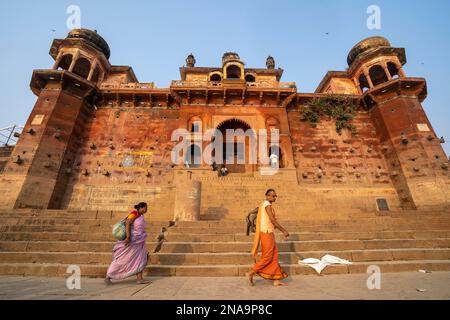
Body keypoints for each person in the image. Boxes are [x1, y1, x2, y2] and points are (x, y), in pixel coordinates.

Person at [245, 189, 289, 286]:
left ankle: (276, 279)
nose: (274, 198)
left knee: (274, 256)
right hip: (266, 232)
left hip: (269, 232)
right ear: (267, 196)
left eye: (275, 196)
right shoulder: (267, 205)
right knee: (268, 256)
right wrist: (283, 230)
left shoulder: (266, 205)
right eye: (273, 196)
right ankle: (250, 273)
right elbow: (272, 220)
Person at [105, 202, 151, 285]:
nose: (146, 209)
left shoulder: (140, 216)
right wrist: (128, 237)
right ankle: (108, 276)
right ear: (141, 208)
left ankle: (139, 278)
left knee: (140, 258)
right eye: (145, 208)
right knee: (122, 259)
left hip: (139, 242)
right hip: (131, 241)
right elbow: (127, 223)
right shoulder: (134, 213)